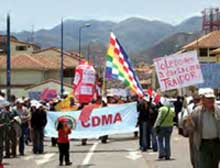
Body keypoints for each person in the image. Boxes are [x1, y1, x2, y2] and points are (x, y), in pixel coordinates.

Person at [184, 88, 220, 168]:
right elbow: (189, 130)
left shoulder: (218, 110)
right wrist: (189, 122)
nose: (211, 100)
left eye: (212, 98)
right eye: (208, 98)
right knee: (204, 165)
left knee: (214, 165)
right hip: (203, 144)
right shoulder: (197, 112)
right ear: (203, 99)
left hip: (216, 143)